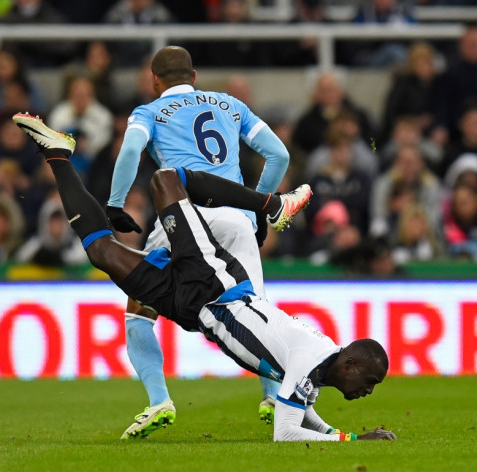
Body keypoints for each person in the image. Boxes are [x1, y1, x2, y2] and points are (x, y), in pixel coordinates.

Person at [12, 112, 396, 442]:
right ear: (351, 366)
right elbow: (286, 432)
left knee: (101, 253)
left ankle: (58, 155)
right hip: (216, 285)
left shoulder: (318, 366)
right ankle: (271, 204)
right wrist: (354, 441)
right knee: (165, 180)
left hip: (193, 310)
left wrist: (333, 434)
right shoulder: (309, 357)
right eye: (371, 381)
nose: (369, 390)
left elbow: (301, 412)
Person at [104, 46, 291, 438]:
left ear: (155, 80)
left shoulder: (149, 112)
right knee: (256, 313)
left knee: (139, 314)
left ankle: (158, 402)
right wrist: (256, 209)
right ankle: (274, 397)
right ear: (194, 76)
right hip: (236, 222)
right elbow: (278, 155)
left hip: (181, 219)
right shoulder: (230, 104)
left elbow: (132, 150)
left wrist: (116, 203)